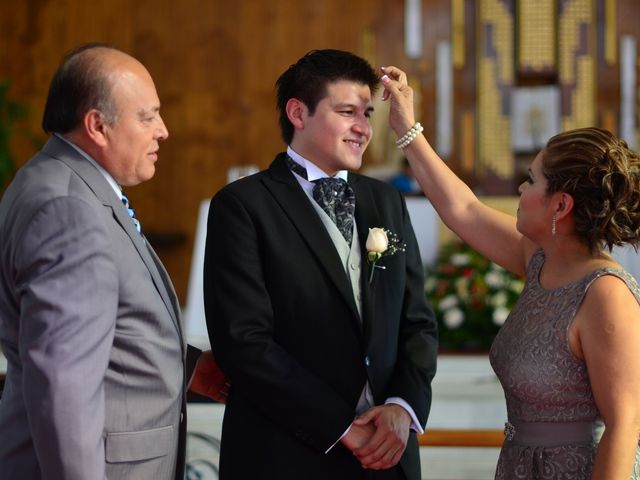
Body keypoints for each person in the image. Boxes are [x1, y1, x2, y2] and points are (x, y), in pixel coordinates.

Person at [380, 66, 640, 479]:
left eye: (531, 181)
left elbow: (625, 425)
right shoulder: (539, 258)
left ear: (560, 205)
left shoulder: (605, 294)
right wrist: (407, 129)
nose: (520, 189)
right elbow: (462, 209)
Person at [203, 49, 438, 480]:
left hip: (387, 457)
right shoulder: (242, 206)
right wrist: (342, 426)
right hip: (284, 455)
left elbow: (416, 321)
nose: (363, 128)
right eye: (347, 111)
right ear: (298, 113)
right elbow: (244, 342)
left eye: (367, 113)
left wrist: (402, 408)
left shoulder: (385, 201)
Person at [0, 44, 226, 480]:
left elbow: (113, 325)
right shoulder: (70, 209)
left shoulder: (60, 181)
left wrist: (188, 365)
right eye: (147, 116)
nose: (163, 130)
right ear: (98, 126)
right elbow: (64, 388)